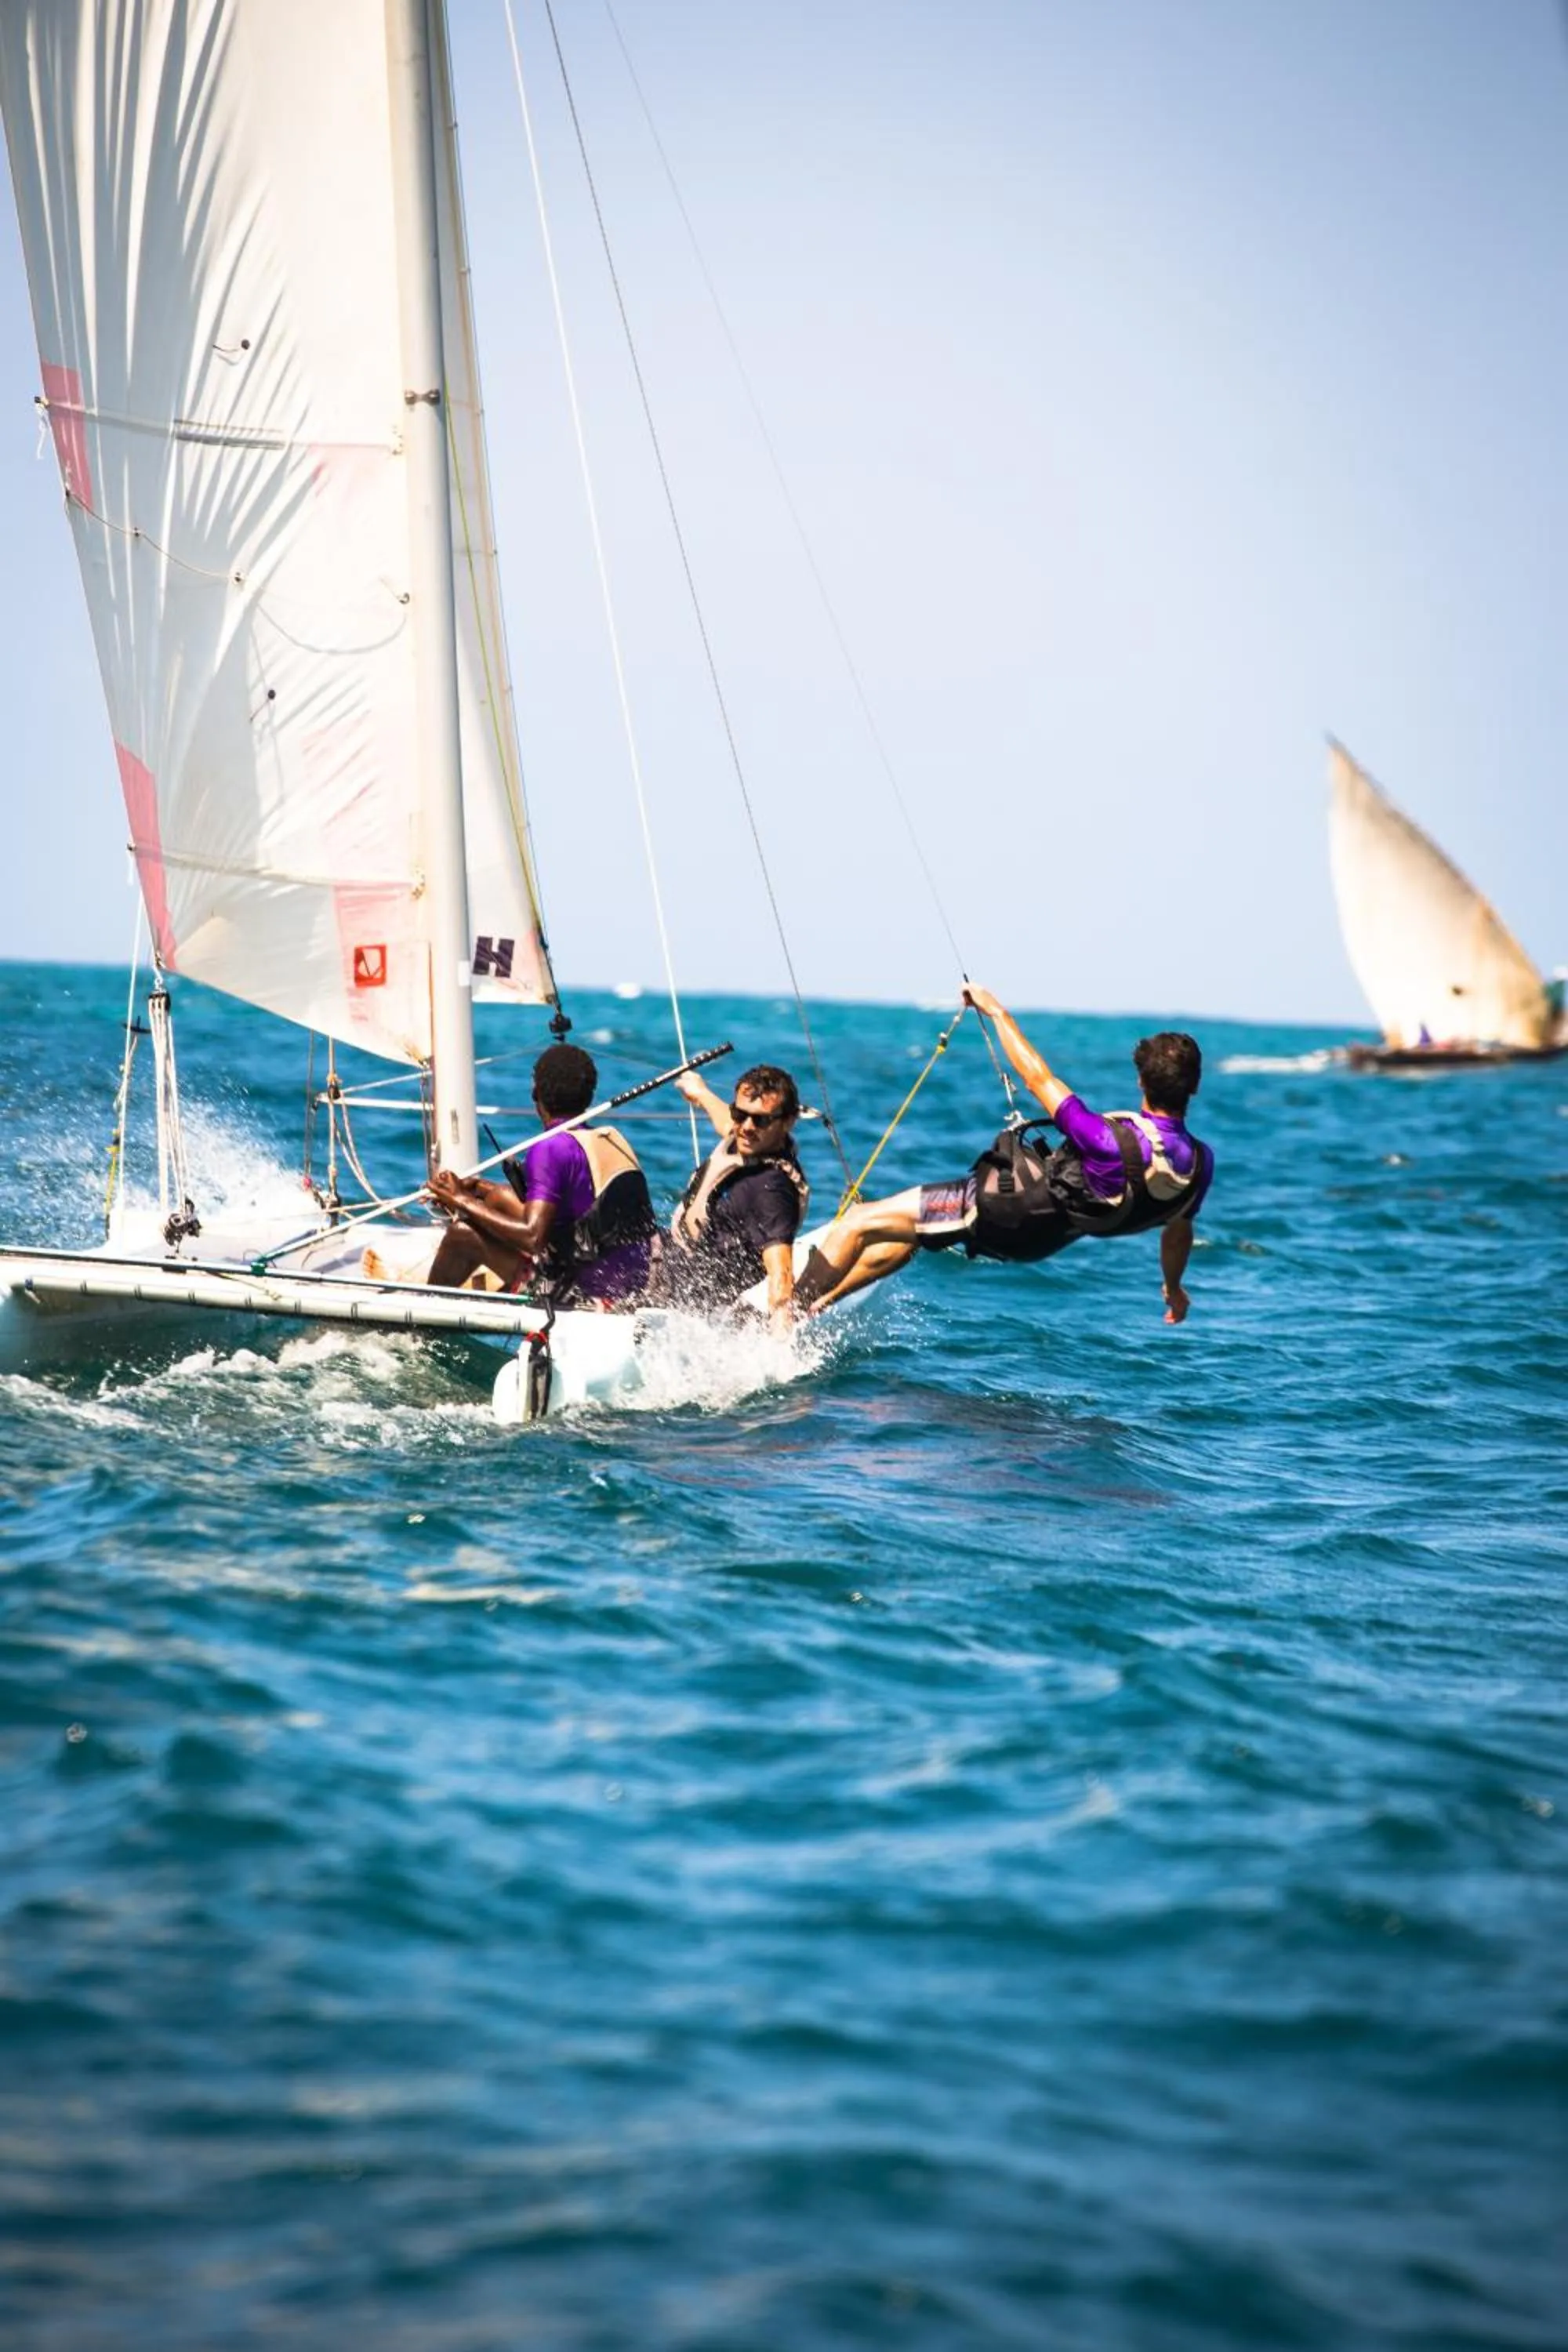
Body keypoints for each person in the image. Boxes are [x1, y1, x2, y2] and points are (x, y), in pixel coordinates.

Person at [792, 985, 1214, 1323]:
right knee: (915, 1232)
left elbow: (1037, 1077)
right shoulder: (1199, 1164)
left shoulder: (1106, 1140)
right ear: (1194, 1087)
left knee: (858, 1222)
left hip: (1000, 1211)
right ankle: (821, 1303)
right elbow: (1178, 1231)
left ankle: (781, 1320)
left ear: (1141, 1080)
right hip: (1041, 1242)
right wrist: (1174, 1289)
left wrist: (996, 1013)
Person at [422, 1043, 655, 1306]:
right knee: (500, 1196)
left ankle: (424, 1321)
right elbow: (582, 1208)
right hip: (631, 1286)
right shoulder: (604, 1139)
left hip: (586, 1296)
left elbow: (533, 1237)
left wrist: (459, 1200)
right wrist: (476, 1190)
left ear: (536, 1094)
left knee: (461, 1234)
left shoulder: (550, 1148)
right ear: (589, 1095)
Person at [650, 1062, 808, 1335]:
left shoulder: (771, 1189)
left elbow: (780, 1272)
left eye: (760, 1120)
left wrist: (781, 1349)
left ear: (788, 1122)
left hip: (688, 1297)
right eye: (740, 1113)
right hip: (671, 1258)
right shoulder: (752, 1139)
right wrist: (700, 1092)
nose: (745, 1127)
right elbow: (727, 1122)